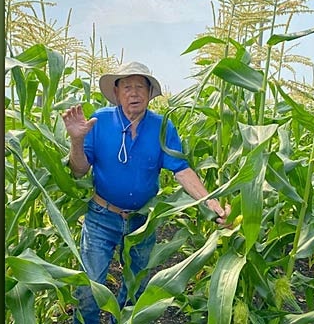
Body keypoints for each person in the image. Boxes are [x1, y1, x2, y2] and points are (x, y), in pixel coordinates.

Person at [62, 61, 231, 324]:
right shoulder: (100, 121)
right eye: (127, 87)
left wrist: (211, 203)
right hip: (102, 216)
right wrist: (77, 140)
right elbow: (79, 170)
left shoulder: (162, 127)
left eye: (140, 86)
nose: (134, 93)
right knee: (89, 286)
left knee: (136, 288)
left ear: (150, 93)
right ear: (116, 93)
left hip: (143, 219)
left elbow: (181, 169)